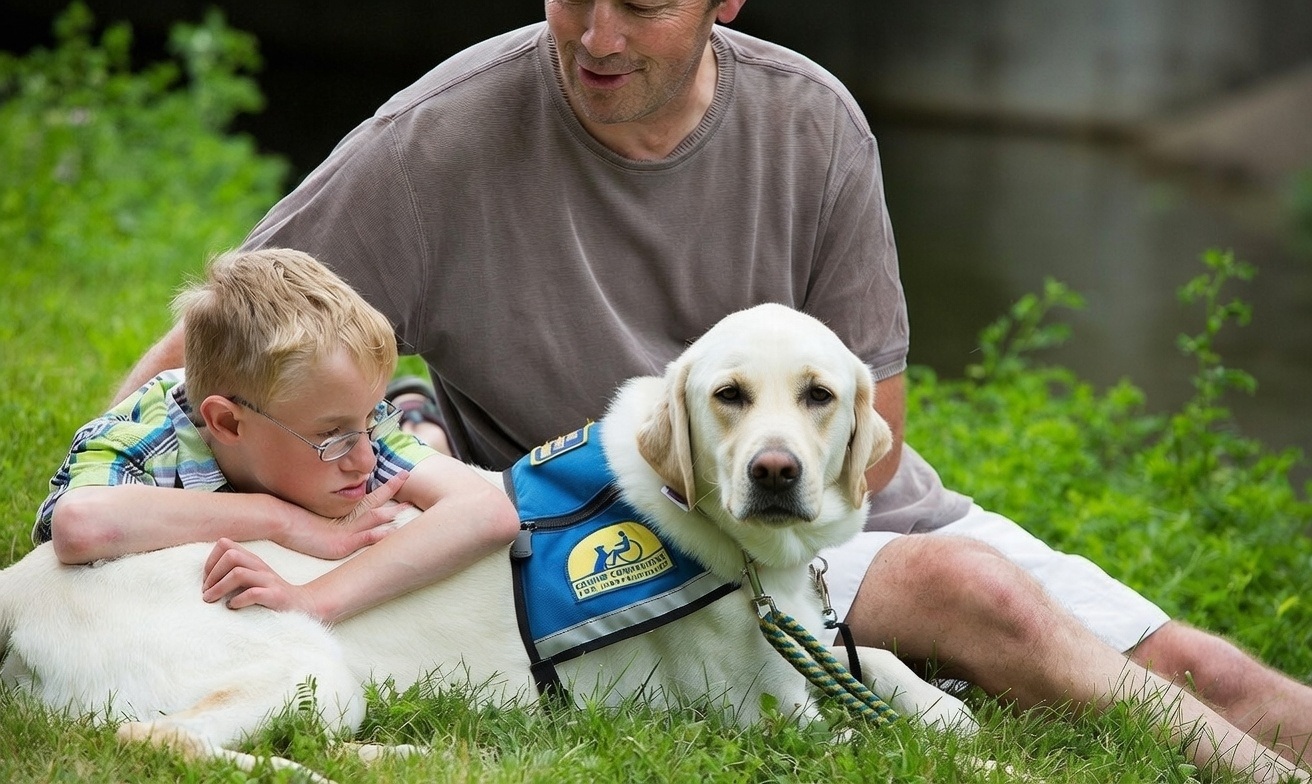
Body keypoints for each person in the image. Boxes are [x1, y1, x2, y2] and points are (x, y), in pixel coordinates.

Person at [113, 1, 1310, 779]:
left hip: (830, 514)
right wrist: (102, 480)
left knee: (1215, 673)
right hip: (607, 533)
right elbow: (229, 333)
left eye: (638, 4)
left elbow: (877, 434)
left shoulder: (814, 125)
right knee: (973, 595)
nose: (594, 38)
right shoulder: (438, 139)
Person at [39, 247, 519, 623]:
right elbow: (79, 525)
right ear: (227, 424)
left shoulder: (349, 433)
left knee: (424, 447)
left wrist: (313, 601)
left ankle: (416, 418)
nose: (366, 460)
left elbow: (489, 513)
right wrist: (281, 519)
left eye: (371, 419)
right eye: (331, 434)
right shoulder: (142, 440)